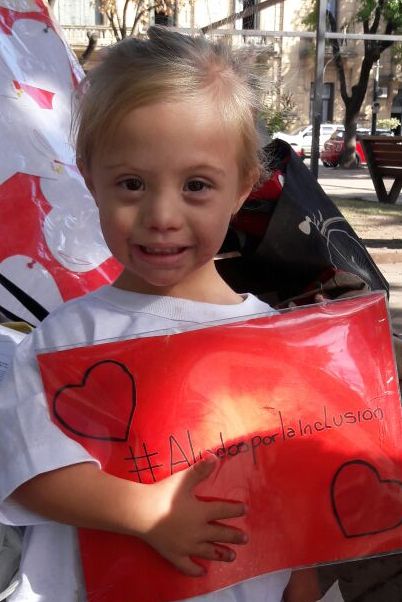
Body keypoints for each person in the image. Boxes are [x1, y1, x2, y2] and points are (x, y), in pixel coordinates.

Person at [0, 27, 319, 601]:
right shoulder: (68, 339)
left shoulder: (275, 342)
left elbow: (290, 488)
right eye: (132, 184)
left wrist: (303, 580)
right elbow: (26, 472)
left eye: (196, 185)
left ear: (242, 188)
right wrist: (149, 513)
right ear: (90, 179)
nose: (162, 215)